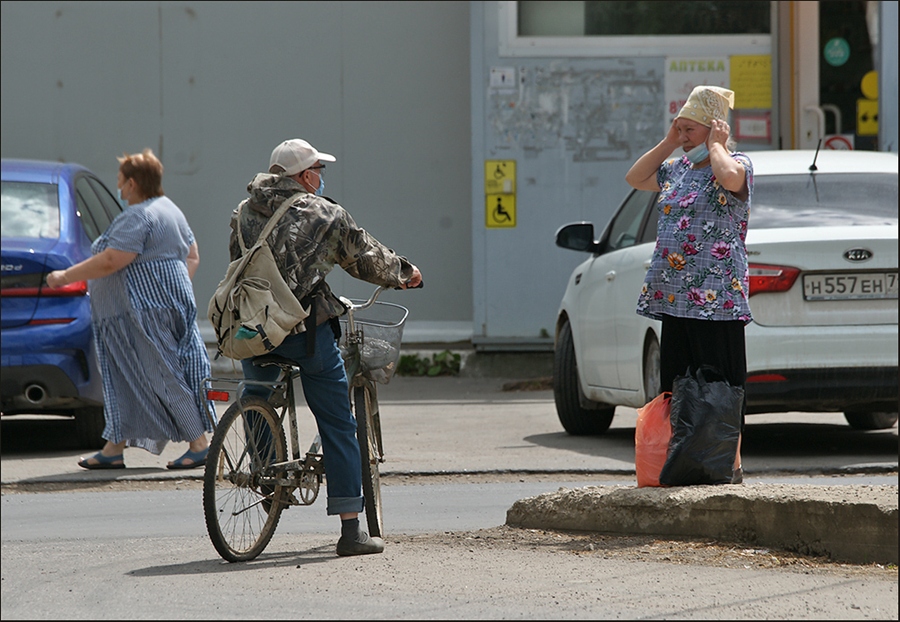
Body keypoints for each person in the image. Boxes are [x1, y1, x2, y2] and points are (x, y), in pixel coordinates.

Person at [231, 138, 422, 557]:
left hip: (253, 330)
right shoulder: (324, 213)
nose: (321, 177)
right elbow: (365, 258)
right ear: (303, 176)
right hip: (303, 332)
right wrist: (405, 273)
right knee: (337, 420)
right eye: (318, 170)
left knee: (257, 394)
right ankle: (351, 530)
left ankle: (265, 472)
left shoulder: (244, 211)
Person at [46, 149, 214, 471]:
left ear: (134, 183)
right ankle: (113, 448)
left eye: (121, 183)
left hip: (142, 314)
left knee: (163, 374)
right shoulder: (170, 210)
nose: (120, 190)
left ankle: (199, 443)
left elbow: (112, 260)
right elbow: (192, 255)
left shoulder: (139, 216)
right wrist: (173, 288)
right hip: (149, 311)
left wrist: (65, 276)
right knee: (123, 378)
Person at [624, 86, 753, 485]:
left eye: (689, 130)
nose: (683, 137)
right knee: (677, 387)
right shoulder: (675, 168)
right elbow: (635, 176)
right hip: (675, 297)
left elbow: (730, 178)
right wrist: (668, 140)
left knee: (721, 388)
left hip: (717, 300)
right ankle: (678, 466)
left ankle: (728, 467)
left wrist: (718, 145)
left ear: (715, 129)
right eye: (679, 129)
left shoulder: (736, 163)